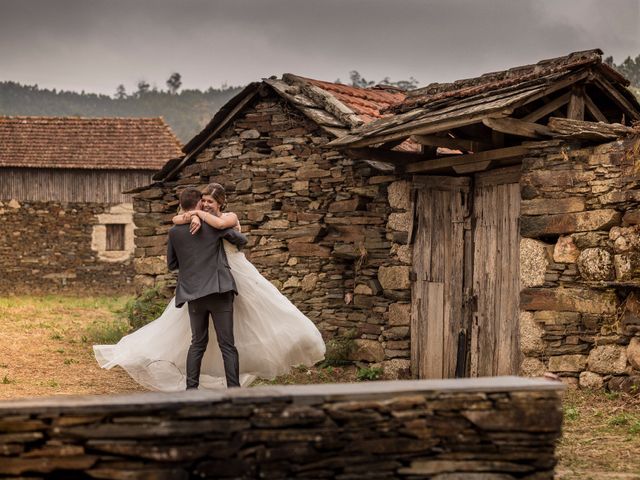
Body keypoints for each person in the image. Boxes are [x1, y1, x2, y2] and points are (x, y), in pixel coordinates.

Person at [94, 184, 326, 391]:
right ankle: (233, 389)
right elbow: (240, 241)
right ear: (197, 204)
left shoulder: (175, 231)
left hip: (192, 294)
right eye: (202, 202)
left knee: (197, 343)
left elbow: (173, 264)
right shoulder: (214, 227)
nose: (205, 205)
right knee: (227, 343)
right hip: (219, 291)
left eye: (208, 202)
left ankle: (191, 388)